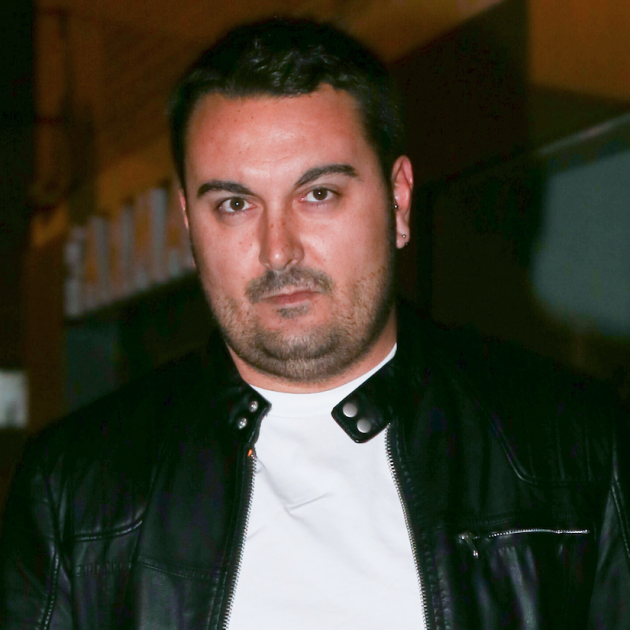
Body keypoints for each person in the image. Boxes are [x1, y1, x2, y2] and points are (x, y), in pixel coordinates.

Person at [1, 18, 629, 630]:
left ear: (398, 201)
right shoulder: (72, 490)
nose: (278, 251)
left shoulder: (580, 452)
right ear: (190, 226)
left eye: (318, 194)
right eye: (235, 204)